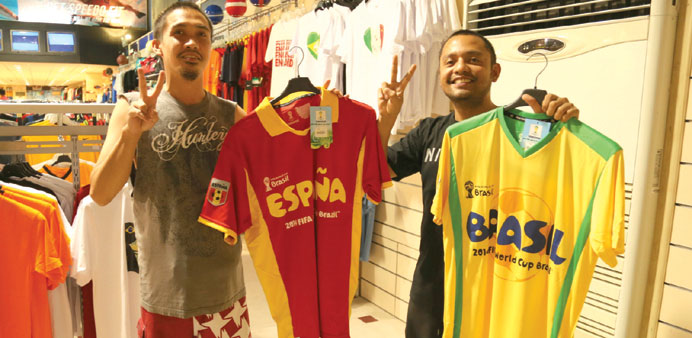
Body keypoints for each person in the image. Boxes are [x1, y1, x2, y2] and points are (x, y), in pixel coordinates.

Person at [376, 30, 580, 338]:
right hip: (434, 283)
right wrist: (386, 120)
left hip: (497, 285)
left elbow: (557, 186)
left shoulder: (523, 132)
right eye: (450, 61)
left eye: (473, 60)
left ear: (494, 72)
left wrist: (564, 130)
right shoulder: (429, 132)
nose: (460, 68)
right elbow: (379, 172)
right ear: (440, 73)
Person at [89, 3, 249, 337]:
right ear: (158, 45)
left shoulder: (232, 114)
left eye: (201, 35)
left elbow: (281, 169)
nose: (191, 42)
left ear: (210, 46)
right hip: (165, 296)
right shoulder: (130, 108)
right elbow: (100, 194)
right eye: (179, 33)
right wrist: (132, 133)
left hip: (226, 292)